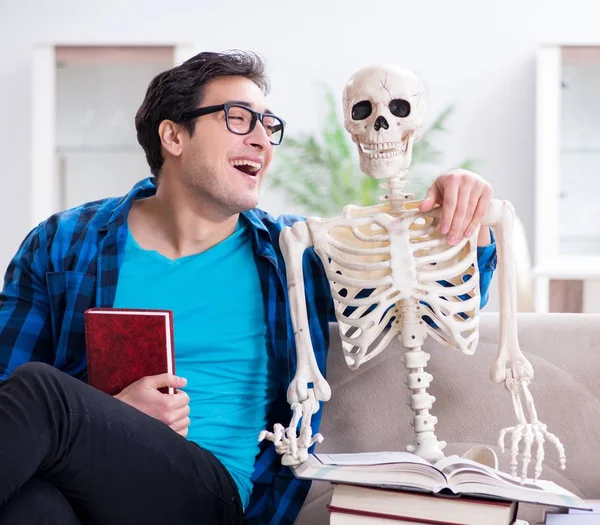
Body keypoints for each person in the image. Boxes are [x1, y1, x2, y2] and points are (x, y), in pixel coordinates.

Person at [0, 50, 497, 525]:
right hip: (74, 486)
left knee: (44, 394)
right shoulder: (64, 244)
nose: (262, 139)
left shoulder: (294, 256)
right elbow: (7, 391)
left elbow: (433, 300)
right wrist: (110, 415)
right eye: (239, 117)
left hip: (209, 498)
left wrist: (468, 217)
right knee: (34, 508)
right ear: (173, 136)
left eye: (268, 124)